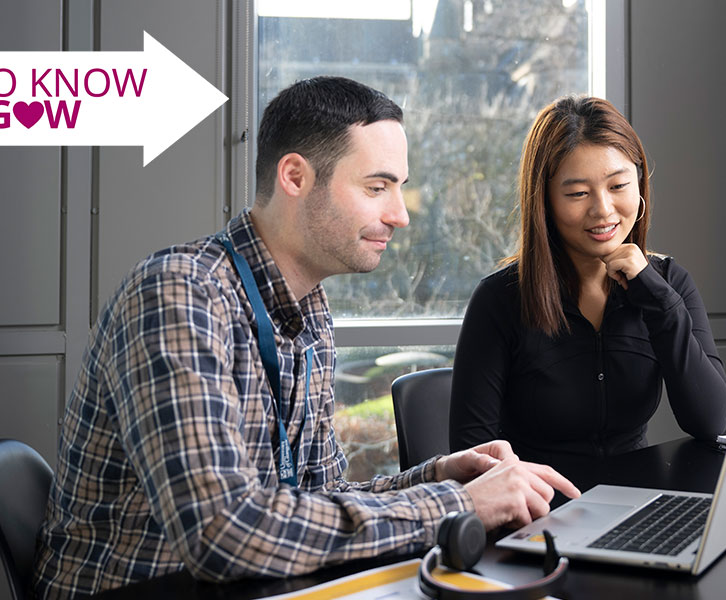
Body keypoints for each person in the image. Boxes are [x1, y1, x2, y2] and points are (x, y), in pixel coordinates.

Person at [33, 76, 579, 599]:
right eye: (376, 187)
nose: (398, 215)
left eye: (399, 189)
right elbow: (225, 532)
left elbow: (320, 499)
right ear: (295, 177)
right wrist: (454, 504)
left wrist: (436, 476)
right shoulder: (179, 294)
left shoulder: (307, 308)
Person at [448, 96, 726, 466]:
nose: (602, 209)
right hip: (539, 508)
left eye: (618, 186)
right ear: (544, 202)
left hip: (637, 504)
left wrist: (656, 298)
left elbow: (713, 422)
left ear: (640, 186)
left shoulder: (669, 284)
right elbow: (471, 457)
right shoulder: (500, 299)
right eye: (578, 193)